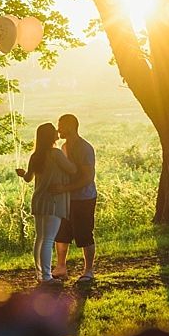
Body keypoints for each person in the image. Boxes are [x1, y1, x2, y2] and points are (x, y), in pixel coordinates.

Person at [16, 122, 77, 285]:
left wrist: (22, 173)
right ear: (50, 136)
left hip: (39, 200)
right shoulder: (55, 154)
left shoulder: (36, 156)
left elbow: (28, 178)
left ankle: (40, 273)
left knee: (40, 238)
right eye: (54, 131)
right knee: (48, 239)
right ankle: (47, 277)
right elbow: (72, 170)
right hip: (53, 201)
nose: (57, 132)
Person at [50, 114, 97, 283]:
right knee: (62, 232)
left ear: (70, 126)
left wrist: (65, 188)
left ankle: (88, 270)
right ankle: (61, 267)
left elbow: (87, 178)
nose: (58, 129)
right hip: (67, 198)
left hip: (84, 198)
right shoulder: (64, 147)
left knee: (84, 233)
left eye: (61, 125)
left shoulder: (85, 148)